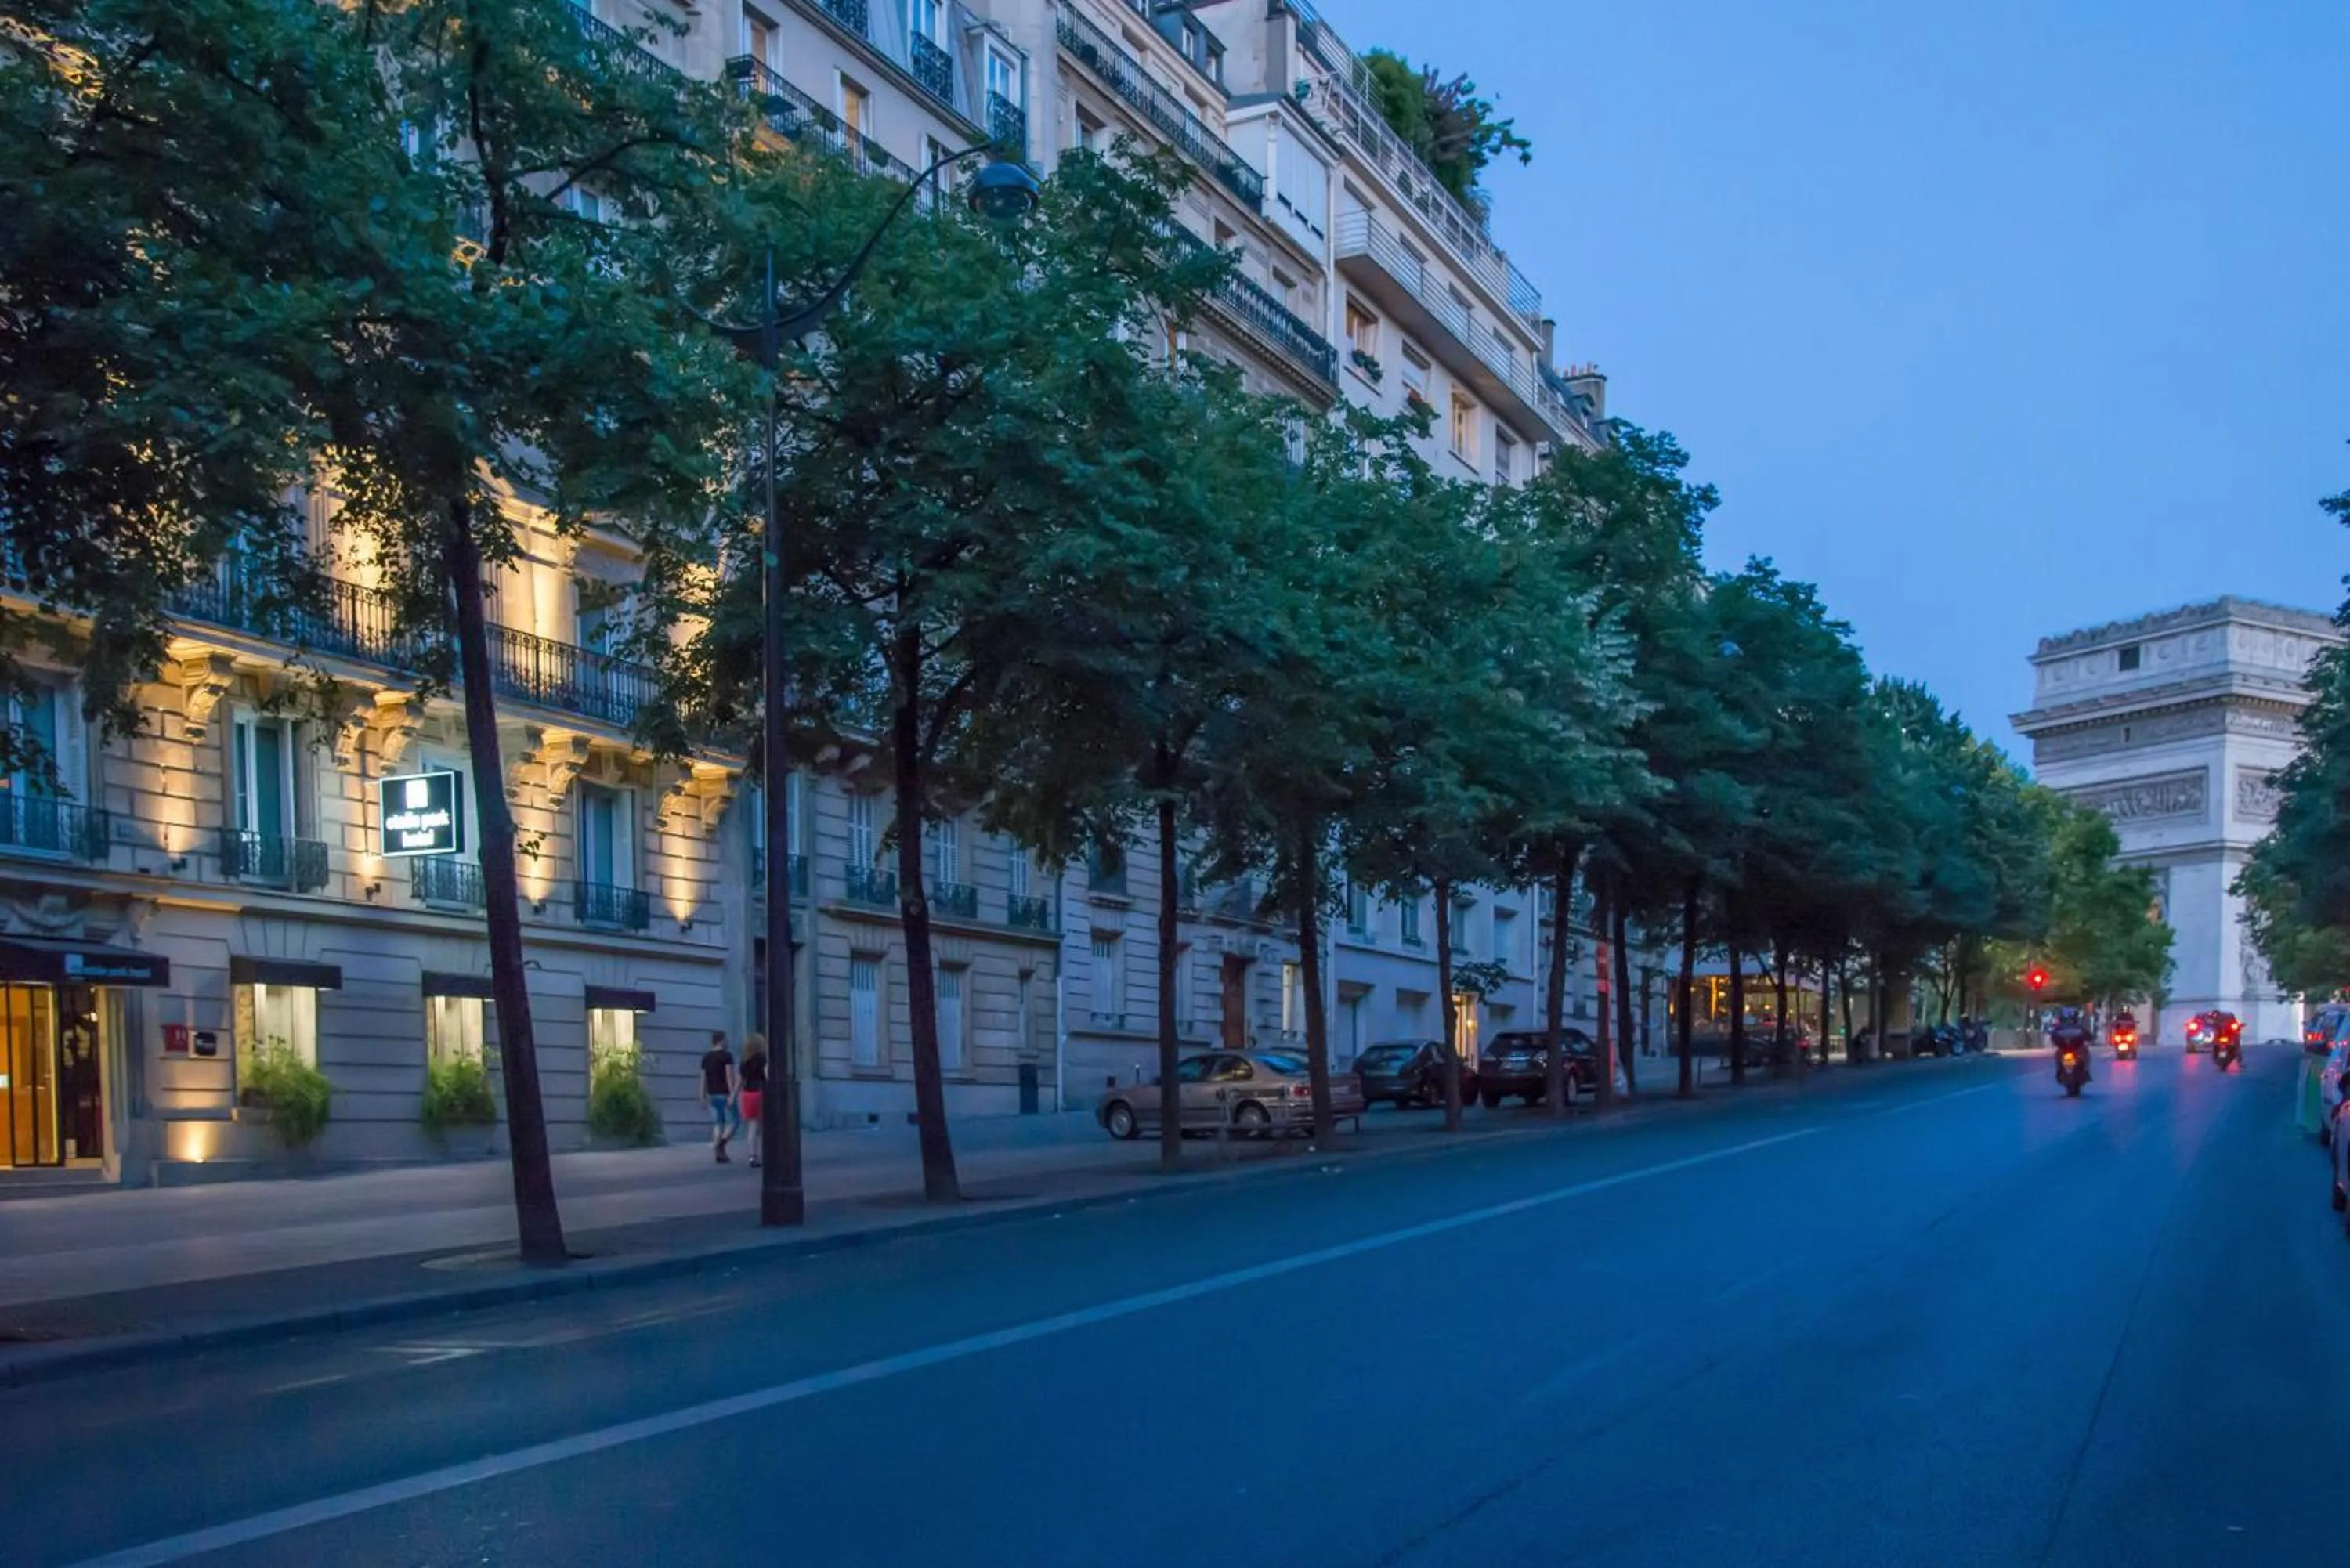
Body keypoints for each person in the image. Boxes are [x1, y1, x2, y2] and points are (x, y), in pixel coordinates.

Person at [700, 1031, 739, 1163]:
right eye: (726, 1040)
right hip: (724, 1093)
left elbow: (703, 1078)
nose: (728, 1042)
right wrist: (732, 1094)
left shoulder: (706, 1057)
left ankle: (718, 1151)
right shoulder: (727, 1056)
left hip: (712, 1095)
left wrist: (702, 1095)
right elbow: (729, 1077)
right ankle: (721, 1144)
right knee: (735, 1121)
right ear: (721, 1040)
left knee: (719, 1123)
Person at [739, 1033, 768, 1169]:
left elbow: (741, 1080)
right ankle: (769, 1153)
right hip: (760, 1092)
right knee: (766, 1125)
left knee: (752, 1126)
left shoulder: (744, 1062)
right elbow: (767, 1075)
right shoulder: (763, 1059)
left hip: (747, 1094)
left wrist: (733, 1095)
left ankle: (752, 1155)